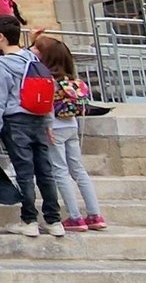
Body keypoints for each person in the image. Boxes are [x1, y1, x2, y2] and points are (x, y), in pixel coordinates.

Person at [0, 15, 64, 238]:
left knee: (24, 172)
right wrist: (49, 122)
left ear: (1, 37)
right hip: (39, 119)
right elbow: (47, 91)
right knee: (45, 171)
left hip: (16, 121)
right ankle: (53, 219)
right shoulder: (32, 59)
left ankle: (29, 219)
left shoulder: (2, 64)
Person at [35, 35, 107, 232]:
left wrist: (48, 125)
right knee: (78, 170)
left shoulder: (48, 80)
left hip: (55, 127)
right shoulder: (72, 80)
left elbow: (48, 106)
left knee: (60, 171)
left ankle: (75, 217)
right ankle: (95, 214)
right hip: (71, 125)